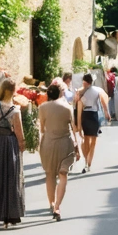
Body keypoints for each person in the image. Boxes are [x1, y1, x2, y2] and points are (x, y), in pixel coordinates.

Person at [0, 78, 26, 227]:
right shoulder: (14, 110)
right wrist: (22, 146)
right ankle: (11, 215)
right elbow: (19, 134)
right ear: (13, 93)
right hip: (9, 143)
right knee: (11, 177)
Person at [38, 82, 78, 221]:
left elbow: (42, 129)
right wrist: (77, 146)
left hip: (48, 143)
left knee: (49, 174)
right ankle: (58, 206)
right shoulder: (67, 108)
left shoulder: (42, 108)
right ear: (60, 93)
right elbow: (73, 128)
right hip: (65, 144)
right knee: (63, 174)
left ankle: (52, 203)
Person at [76, 72, 108, 172]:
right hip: (94, 115)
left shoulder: (80, 92)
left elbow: (79, 108)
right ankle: (89, 162)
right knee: (93, 141)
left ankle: (86, 162)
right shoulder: (97, 91)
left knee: (86, 139)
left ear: (84, 82)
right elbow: (103, 101)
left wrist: (79, 125)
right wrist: (107, 113)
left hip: (86, 115)